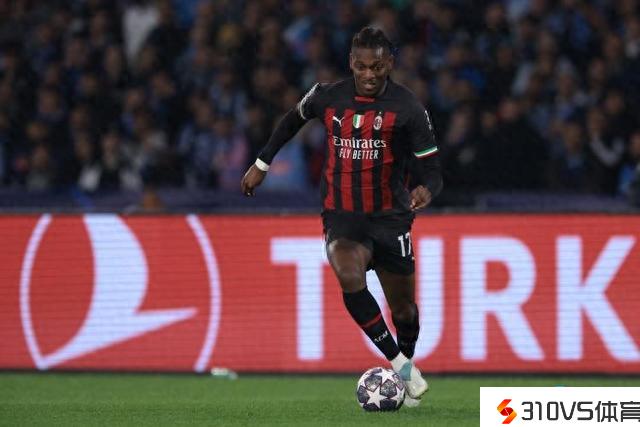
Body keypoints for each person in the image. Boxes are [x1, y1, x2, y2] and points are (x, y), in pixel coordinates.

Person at [241, 27, 442, 407]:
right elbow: (291, 121)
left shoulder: (408, 108)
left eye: (377, 67)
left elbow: (433, 170)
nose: (369, 74)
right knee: (349, 276)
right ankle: (401, 367)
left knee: (405, 312)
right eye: (362, 66)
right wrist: (262, 163)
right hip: (343, 216)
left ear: (389, 64)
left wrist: (426, 190)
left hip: (391, 219)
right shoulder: (326, 96)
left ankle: (405, 364)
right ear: (351, 63)